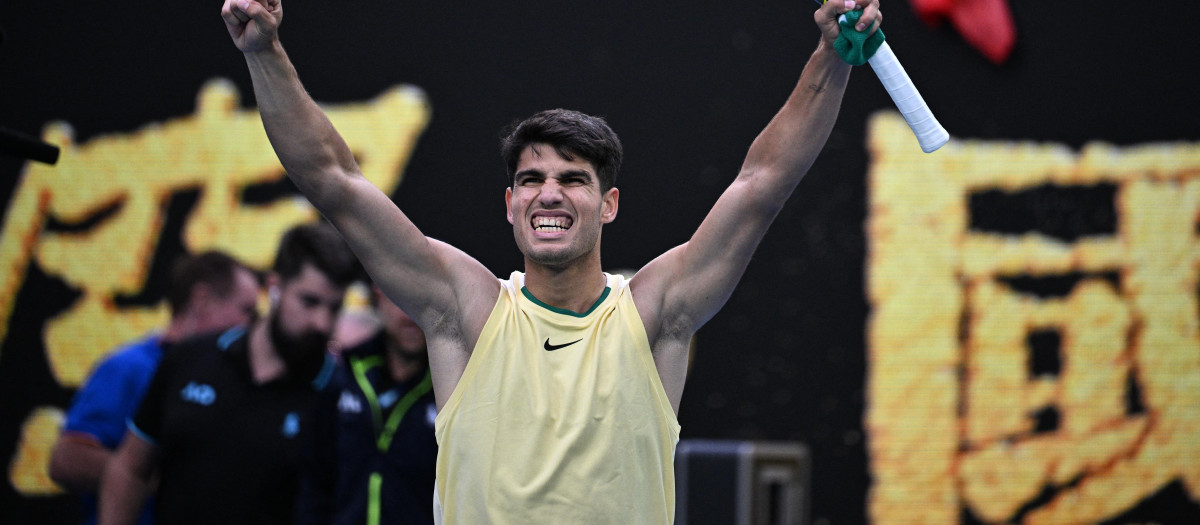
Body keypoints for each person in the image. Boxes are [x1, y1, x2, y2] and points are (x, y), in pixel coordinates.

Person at [221, 0, 881, 522]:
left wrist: (831, 55)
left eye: (574, 178)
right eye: (532, 179)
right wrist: (265, 52)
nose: (550, 193)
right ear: (510, 204)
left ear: (609, 204)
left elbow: (760, 185)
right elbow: (335, 182)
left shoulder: (654, 312)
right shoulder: (466, 310)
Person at [97, 222, 360, 525]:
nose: (322, 323)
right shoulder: (189, 358)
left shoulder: (341, 397)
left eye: (334, 308)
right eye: (309, 302)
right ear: (275, 287)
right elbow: (130, 466)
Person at [48, 250, 260, 525]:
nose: (253, 326)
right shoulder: (129, 367)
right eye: (246, 311)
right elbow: (67, 460)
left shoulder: (229, 382)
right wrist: (158, 479)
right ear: (202, 299)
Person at [295, 285, 438, 525]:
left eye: (423, 302)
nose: (410, 316)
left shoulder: (454, 388)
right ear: (379, 297)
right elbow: (314, 483)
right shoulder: (343, 376)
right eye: (402, 299)